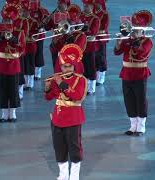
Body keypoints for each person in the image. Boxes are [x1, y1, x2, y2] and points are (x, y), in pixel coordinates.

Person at [45, 44, 87, 180]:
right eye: (64, 66)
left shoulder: (81, 80)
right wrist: (47, 88)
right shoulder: (57, 77)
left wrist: (61, 83)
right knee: (59, 148)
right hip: (57, 118)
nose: (66, 69)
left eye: (69, 66)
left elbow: (78, 96)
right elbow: (48, 98)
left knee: (74, 149)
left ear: (74, 66)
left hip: (73, 118)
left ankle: (74, 177)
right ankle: (63, 175)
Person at [114, 10, 153, 136]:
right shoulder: (128, 39)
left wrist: (134, 42)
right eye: (134, 29)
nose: (134, 32)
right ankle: (132, 125)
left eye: (136, 29)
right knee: (128, 99)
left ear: (142, 29)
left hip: (140, 73)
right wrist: (119, 41)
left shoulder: (147, 41)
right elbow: (117, 52)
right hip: (126, 73)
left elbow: (142, 54)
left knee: (140, 99)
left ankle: (141, 126)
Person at [0, 3, 25, 122]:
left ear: (13, 21)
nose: (7, 22)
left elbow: (23, 49)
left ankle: (13, 113)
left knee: (13, 89)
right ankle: (4, 114)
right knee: (3, 89)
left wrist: (14, 40)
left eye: (9, 20)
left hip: (14, 64)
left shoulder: (18, 32)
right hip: (1, 64)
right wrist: (0, 38)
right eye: (5, 20)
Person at [80, 0, 100, 95]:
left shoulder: (95, 19)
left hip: (90, 46)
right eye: (84, 5)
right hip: (81, 46)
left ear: (92, 7)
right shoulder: (81, 16)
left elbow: (93, 32)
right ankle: (84, 86)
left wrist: (85, 31)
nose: (85, 7)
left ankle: (91, 88)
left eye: (87, 6)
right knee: (83, 66)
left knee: (91, 67)